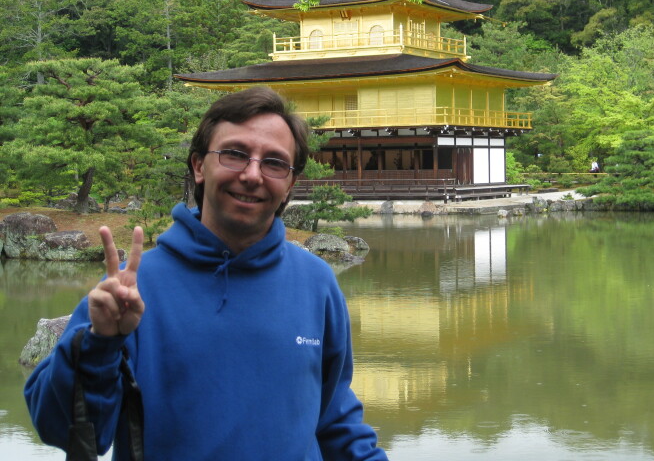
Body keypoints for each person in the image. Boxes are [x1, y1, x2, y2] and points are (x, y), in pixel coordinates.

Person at [24, 87, 388, 460]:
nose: (252, 174)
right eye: (234, 154)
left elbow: (334, 419)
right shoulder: (133, 289)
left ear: (290, 184)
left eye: (275, 163)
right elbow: (62, 430)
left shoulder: (316, 282)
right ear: (199, 166)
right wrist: (100, 343)